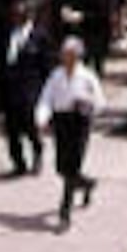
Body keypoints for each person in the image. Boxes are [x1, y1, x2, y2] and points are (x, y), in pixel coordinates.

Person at [37, 36, 100, 228]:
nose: (67, 58)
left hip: (80, 123)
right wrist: (41, 119)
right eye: (64, 54)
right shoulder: (56, 76)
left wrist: (86, 102)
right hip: (61, 122)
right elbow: (46, 98)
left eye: (71, 55)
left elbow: (100, 101)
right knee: (61, 167)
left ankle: (64, 214)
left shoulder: (87, 76)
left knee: (72, 167)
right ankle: (87, 184)